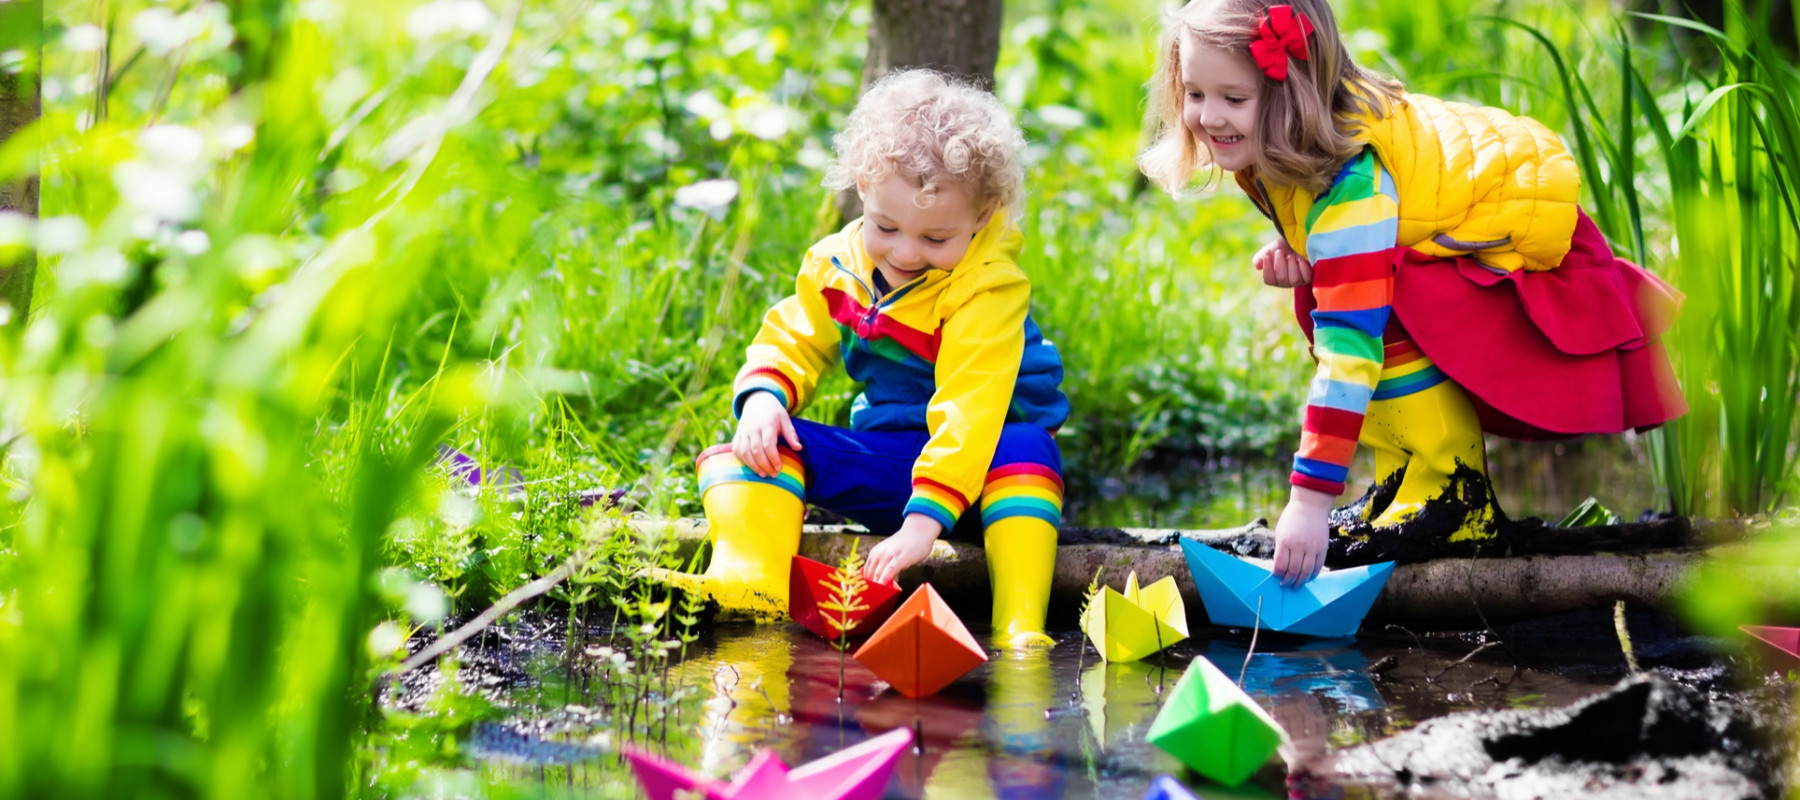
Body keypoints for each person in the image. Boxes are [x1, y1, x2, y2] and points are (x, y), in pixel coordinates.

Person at [1139, 0, 1685, 586]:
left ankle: (1451, 491)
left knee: (1366, 311)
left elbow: (1350, 352)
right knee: (1338, 290)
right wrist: (1305, 255)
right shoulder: (1285, 143)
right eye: (1195, 94)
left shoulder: (1354, 181)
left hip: (1509, 242)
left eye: (1233, 98)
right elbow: (1338, 233)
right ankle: (1403, 483)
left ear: (1292, 95)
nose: (1208, 116)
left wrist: (1309, 502)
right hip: (1442, 230)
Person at [652, 68, 1070, 649]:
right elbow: (793, 337)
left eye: (934, 238)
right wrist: (766, 397)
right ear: (861, 190)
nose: (905, 252)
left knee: (1023, 443)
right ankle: (748, 585)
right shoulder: (835, 265)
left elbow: (969, 411)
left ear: (982, 216)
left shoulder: (988, 288)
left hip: (987, 482)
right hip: (895, 467)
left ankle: (1018, 627)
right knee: (764, 441)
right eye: (886, 226)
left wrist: (922, 526)